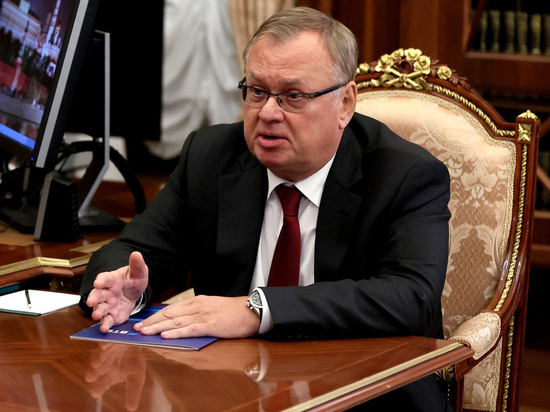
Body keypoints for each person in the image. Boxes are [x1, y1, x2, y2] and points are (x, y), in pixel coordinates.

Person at [79, 6, 452, 411]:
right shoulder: (211, 157)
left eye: (293, 96)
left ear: (345, 103)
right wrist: (122, 290)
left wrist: (257, 310)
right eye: (257, 91)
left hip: (367, 393)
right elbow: (132, 251)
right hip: (227, 392)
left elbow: (411, 296)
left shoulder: (403, 175)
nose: (269, 113)